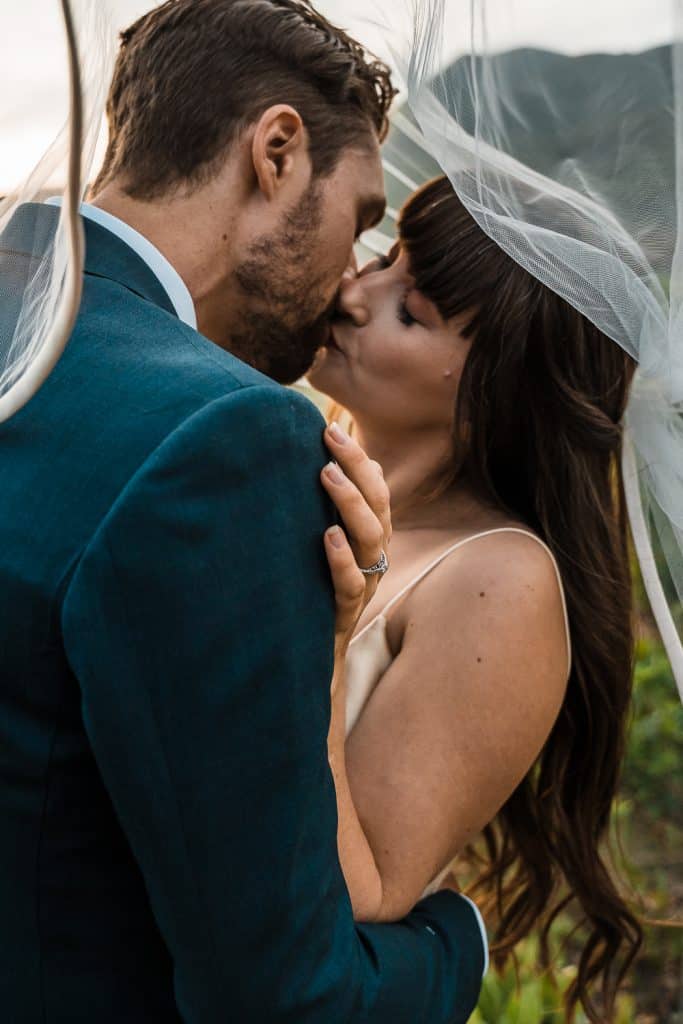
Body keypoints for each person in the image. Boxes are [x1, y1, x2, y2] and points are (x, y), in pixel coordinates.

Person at [0, 3, 487, 1023]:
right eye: (359, 221)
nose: (349, 283)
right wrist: (454, 944)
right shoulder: (228, 437)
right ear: (275, 151)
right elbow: (283, 998)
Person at [310, 175, 643, 1024]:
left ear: (493, 392)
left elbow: (368, 889)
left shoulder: (498, 579)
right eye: (383, 260)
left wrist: (316, 640)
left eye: (409, 310)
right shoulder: (315, 484)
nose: (351, 292)